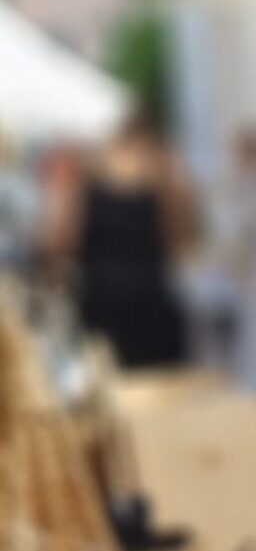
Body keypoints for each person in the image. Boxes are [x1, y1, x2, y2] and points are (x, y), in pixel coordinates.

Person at [48, 113, 191, 370]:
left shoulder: (87, 174)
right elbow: (179, 239)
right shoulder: (161, 174)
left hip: (101, 296)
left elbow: (62, 241)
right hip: (150, 295)